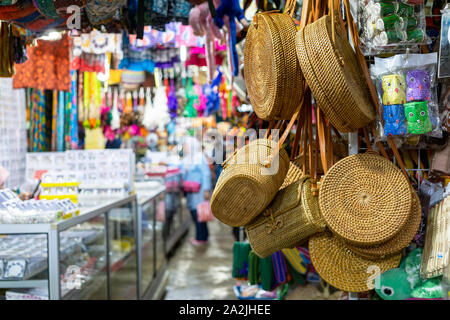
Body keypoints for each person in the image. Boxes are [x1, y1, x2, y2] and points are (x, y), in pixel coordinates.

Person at [180, 135, 212, 246]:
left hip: (200, 192)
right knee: (196, 213)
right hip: (191, 191)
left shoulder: (199, 158)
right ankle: (204, 235)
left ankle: (201, 238)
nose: (184, 148)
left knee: (199, 214)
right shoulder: (188, 159)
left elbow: (206, 174)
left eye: (186, 146)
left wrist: (206, 190)